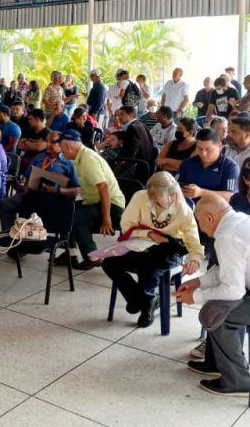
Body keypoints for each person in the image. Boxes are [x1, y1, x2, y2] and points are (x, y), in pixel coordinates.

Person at [103, 172, 203, 327]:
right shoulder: (140, 197)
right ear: (153, 195)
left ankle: (146, 305)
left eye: (174, 194)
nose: (173, 198)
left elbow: (193, 240)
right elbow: (125, 225)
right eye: (168, 196)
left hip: (169, 247)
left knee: (148, 269)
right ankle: (141, 298)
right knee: (109, 263)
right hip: (139, 242)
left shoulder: (182, 208)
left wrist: (195, 259)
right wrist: (148, 233)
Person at [177, 195, 250, 397]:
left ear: (209, 217)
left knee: (219, 314)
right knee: (217, 307)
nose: (201, 229)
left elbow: (234, 291)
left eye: (199, 222)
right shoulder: (239, 220)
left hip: (244, 290)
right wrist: (198, 282)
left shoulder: (227, 236)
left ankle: (239, 381)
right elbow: (227, 270)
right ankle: (215, 363)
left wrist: (196, 296)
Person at [59, 129, 125, 270]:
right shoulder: (78, 158)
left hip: (111, 205)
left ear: (68, 147)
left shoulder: (88, 159)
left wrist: (107, 219)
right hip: (94, 201)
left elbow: (104, 189)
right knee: (66, 211)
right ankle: (71, 254)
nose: (61, 152)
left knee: (77, 218)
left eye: (62, 149)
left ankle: (93, 257)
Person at [0, 131, 80, 233]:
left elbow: (77, 190)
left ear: (61, 144)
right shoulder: (39, 157)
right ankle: (10, 234)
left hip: (54, 199)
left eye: (52, 142)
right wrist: (24, 187)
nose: (48, 145)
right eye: (47, 141)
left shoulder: (68, 163)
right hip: (32, 195)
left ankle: (30, 232)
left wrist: (58, 190)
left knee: (35, 209)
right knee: (5, 204)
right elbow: (27, 178)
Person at [178, 128, 239, 204]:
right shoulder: (187, 163)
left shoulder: (230, 167)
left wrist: (201, 192)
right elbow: (174, 186)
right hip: (187, 209)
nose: (203, 154)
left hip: (215, 212)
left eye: (208, 149)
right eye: (200, 149)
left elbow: (231, 197)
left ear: (219, 145)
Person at [117, 105, 155, 172]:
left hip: (137, 166)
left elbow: (131, 152)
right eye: (119, 114)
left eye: (122, 114)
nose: (119, 117)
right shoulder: (141, 125)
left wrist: (121, 164)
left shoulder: (132, 128)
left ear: (131, 116)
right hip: (146, 163)